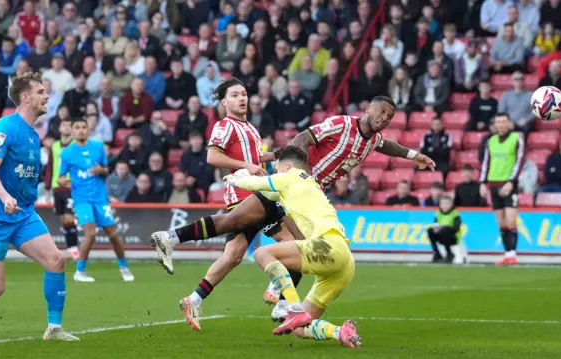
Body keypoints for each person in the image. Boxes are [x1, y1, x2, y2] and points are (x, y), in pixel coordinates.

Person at [150, 95, 436, 323]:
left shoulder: (372, 139)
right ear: (369, 109)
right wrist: (299, 173)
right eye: (382, 112)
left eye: (389, 117)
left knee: (253, 245)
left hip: (304, 197)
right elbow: (303, 138)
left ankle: (272, 298)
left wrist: (415, 155)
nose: (384, 119)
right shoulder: (341, 124)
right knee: (250, 230)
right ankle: (280, 300)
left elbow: (388, 146)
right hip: (294, 187)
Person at [151, 77, 287, 331]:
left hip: (256, 192)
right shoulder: (225, 125)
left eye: (244, 93)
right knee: (294, 241)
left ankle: (193, 300)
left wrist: (278, 155)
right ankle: (282, 297)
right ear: (224, 102)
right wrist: (246, 166)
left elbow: (255, 158)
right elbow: (213, 156)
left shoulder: (250, 128)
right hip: (246, 195)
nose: (242, 98)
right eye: (235, 95)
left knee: (233, 257)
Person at [0, 72, 78, 341]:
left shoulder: (34, 135)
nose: (47, 96)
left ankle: (54, 328)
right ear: (25, 98)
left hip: (22, 214)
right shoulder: (5, 127)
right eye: (40, 92)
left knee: (56, 260)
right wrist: (4, 197)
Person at [224, 146, 361, 347]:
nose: (276, 173)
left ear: (287, 166)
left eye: (277, 169)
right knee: (299, 329)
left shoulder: (290, 176)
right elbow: (267, 193)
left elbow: (253, 183)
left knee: (262, 253)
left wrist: (235, 179)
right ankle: (340, 332)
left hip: (327, 246)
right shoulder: (307, 182)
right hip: (345, 262)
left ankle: (293, 306)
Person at [58, 118, 134, 283]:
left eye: (83, 127)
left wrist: (101, 170)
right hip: (82, 199)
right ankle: (80, 271)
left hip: (100, 199)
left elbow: (106, 170)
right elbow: (60, 177)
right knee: (90, 234)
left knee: (113, 234)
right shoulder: (67, 153)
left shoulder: (98, 147)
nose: (80, 130)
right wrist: (62, 181)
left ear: (88, 130)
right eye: (77, 127)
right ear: (72, 131)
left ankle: (124, 268)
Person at [480, 113, 525, 265]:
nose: (500, 125)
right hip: (493, 183)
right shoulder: (491, 140)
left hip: (508, 183)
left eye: (503, 122)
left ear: (509, 123)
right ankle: (507, 254)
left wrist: (512, 181)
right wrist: (482, 182)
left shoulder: (516, 139)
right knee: (501, 222)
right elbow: (486, 162)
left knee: (511, 219)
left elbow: (520, 161)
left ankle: (513, 254)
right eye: (498, 122)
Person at [44, 117, 79, 259]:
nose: (66, 128)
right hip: (56, 187)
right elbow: (50, 167)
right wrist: (47, 188)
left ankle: (74, 248)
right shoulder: (54, 146)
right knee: (63, 219)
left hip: (71, 186)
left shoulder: (76, 145)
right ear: (59, 128)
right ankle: (70, 248)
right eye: (63, 125)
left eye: (69, 125)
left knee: (69, 217)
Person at [428, 195, 466, 264]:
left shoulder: (455, 214)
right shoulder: (438, 214)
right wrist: (439, 229)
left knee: (445, 230)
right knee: (430, 230)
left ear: (451, 204)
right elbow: (435, 226)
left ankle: (449, 253)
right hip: (442, 237)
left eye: (447, 203)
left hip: (453, 239)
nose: (445, 206)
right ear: (440, 205)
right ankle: (437, 253)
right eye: (443, 204)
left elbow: (456, 229)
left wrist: (443, 228)